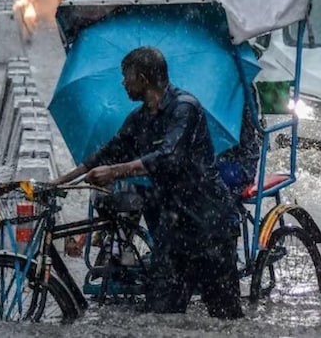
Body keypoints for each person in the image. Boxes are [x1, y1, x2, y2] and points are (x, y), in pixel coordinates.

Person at [52, 47, 244, 319]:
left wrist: (115, 172)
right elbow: (108, 152)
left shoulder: (185, 108)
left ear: (142, 79)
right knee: (161, 316)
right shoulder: (139, 118)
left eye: (126, 76)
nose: (123, 83)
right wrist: (59, 183)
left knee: (225, 319)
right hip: (173, 231)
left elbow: (169, 156)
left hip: (208, 225)